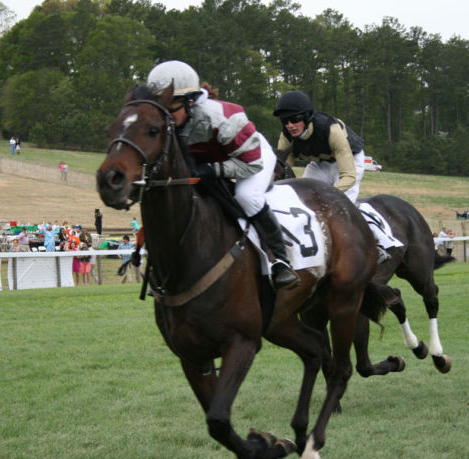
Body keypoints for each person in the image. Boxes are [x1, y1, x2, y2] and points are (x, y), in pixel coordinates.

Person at [147, 60, 298, 290]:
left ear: (190, 101)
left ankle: (280, 260)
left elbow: (251, 164)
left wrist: (211, 170)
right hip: (216, 161)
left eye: (170, 107)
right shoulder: (171, 123)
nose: (165, 115)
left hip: (252, 156)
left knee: (247, 196)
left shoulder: (221, 118)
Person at [273, 89, 398, 263]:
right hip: (320, 164)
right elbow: (284, 168)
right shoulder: (286, 135)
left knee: (341, 204)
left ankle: (378, 243)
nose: (290, 125)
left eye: (295, 119)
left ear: (307, 116)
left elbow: (348, 176)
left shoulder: (331, 129)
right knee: (301, 201)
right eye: (285, 121)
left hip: (349, 162)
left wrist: (328, 193)